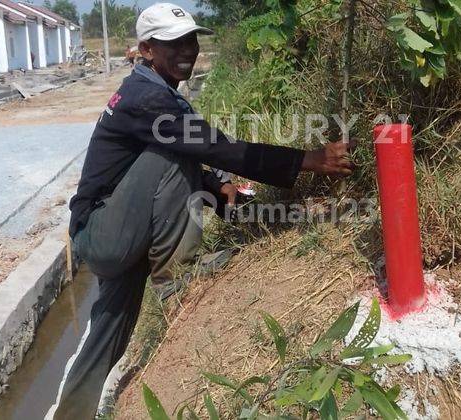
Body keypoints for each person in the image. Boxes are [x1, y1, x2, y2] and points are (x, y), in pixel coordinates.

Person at [46, 3, 354, 419]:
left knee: (108, 334)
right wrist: (308, 159)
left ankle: (72, 415)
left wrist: (217, 186)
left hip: (112, 228)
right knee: (170, 155)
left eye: (190, 39)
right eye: (174, 43)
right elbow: (210, 146)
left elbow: (196, 151)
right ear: (147, 49)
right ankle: (178, 282)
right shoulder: (146, 98)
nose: (187, 50)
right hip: (104, 231)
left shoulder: (155, 90)